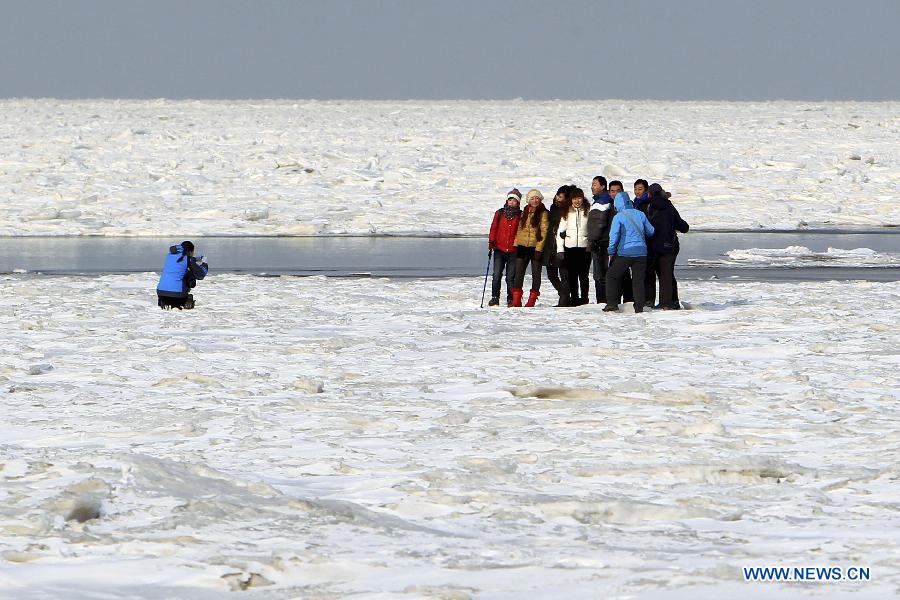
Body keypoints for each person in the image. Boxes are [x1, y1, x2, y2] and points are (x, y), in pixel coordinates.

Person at [604, 192, 655, 313]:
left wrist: (611, 252)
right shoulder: (640, 214)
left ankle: (612, 304)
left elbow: (614, 236)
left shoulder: (619, 216)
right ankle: (639, 307)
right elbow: (651, 231)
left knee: (611, 276)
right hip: (641, 253)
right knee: (638, 280)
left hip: (625, 253)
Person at [647, 183, 689, 309]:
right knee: (667, 274)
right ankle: (667, 303)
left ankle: (649, 301)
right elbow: (682, 225)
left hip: (653, 244)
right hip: (669, 245)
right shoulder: (669, 205)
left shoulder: (648, 206)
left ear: (649, 193)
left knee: (650, 273)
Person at [512, 189, 550, 307]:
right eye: (532, 198)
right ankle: (516, 300)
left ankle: (532, 300)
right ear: (528, 200)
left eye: (537, 198)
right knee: (518, 274)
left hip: (535, 248)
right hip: (522, 246)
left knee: (536, 274)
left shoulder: (543, 213)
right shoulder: (525, 211)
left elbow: (544, 232)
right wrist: (516, 244)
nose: (535, 200)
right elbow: (519, 228)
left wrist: (539, 249)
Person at [556, 186, 591, 306]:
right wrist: (560, 250)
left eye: (579, 198)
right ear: (571, 200)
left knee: (584, 276)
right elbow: (560, 233)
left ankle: (584, 298)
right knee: (572, 275)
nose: (577, 201)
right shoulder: (567, 211)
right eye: (575, 199)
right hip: (570, 248)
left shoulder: (588, 210)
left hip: (584, 248)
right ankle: (575, 298)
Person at [487, 189, 522, 306]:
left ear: (518, 203)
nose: (512, 203)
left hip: (513, 250)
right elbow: (494, 228)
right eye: (510, 200)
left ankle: (510, 298)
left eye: (514, 201)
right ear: (507, 201)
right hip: (499, 249)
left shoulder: (520, 215)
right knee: (496, 275)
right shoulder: (500, 213)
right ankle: (495, 297)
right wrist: (491, 241)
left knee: (510, 277)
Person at [157, 240, 209, 309]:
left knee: (178, 273)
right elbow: (200, 275)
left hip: (161, 293)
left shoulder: (169, 256)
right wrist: (204, 263)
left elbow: (181, 262)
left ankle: (165, 303)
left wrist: (195, 259)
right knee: (190, 274)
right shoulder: (188, 259)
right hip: (178, 295)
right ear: (190, 251)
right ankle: (186, 302)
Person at [587, 176, 613, 303]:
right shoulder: (598, 200)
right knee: (600, 274)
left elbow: (599, 223)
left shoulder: (603, 201)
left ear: (603, 186)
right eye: (592, 184)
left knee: (600, 275)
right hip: (601, 240)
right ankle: (604, 300)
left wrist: (592, 240)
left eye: (595, 184)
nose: (592, 186)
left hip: (601, 242)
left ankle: (603, 300)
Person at [542, 185, 569, 305]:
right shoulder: (552, 208)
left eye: (562, 197)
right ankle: (563, 293)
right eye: (558, 195)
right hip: (550, 244)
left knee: (564, 273)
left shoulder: (568, 210)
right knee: (551, 274)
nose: (559, 198)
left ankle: (564, 298)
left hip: (562, 244)